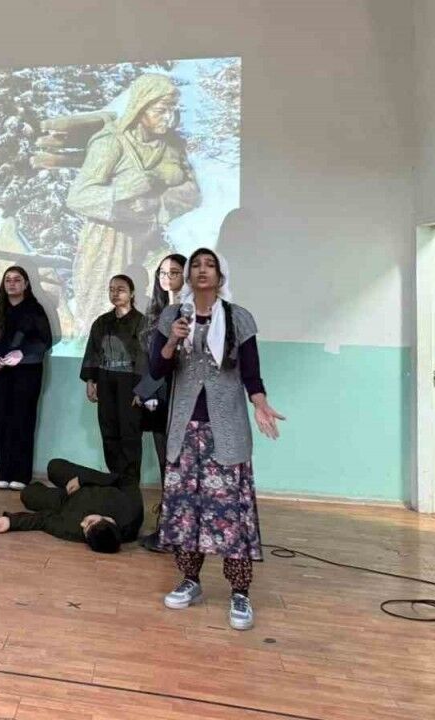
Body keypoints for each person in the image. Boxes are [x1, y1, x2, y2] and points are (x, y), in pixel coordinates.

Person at [149, 248, 285, 631]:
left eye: (210, 265)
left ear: (221, 275)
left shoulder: (238, 318)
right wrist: (172, 341)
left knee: (229, 514)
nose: (202, 271)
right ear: (188, 275)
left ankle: (240, 593)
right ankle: (190, 580)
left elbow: (251, 374)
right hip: (184, 430)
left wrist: (260, 403)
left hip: (225, 431)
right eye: (196, 265)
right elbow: (157, 368)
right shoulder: (173, 316)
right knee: (186, 510)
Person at [65, 73, 201, 337]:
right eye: (161, 110)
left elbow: (192, 192)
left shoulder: (170, 147)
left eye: (172, 110)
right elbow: (79, 196)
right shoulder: (111, 142)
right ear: (141, 107)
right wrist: (124, 192)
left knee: (161, 301)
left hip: (149, 236)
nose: (168, 118)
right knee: (103, 312)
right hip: (108, 240)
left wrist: (156, 204)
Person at [0, 266, 53, 491]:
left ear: (26, 284)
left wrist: (22, 353)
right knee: (1, 420)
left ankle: (21, 474)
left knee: (23, 420)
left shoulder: (35, 310)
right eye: (8, 280)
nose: (12, 283)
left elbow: (45, 340)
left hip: (27, 373)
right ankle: (2, 472)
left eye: (17, 279)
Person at [80, 275, 148, 497]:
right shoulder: (101, 322)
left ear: (132, 293)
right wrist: (91, 380)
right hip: (105, 378)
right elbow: (92, 352)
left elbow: (145, 357)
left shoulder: (142, 322)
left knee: (130, 433)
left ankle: (130, 487)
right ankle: (114, 481)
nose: (115, 293)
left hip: (130, 381)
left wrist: (141, 389)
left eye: (121, 289)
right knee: (108, 430)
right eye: (111, 289)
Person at [136, 253, 187, 551]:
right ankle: (167, 529)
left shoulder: (193, 311)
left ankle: (179, 530)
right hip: (158, 397)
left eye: (174, 272)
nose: (167, 278)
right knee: (164, 463)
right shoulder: (155, 311)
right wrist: (144, 390)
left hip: (184, 397)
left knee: (180, 465)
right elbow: (151, 361)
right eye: (162, 273)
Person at [0, 459, 143, 552]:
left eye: (85, 530)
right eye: (89, 522)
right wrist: (82, 479)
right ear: (107, 519)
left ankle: (44, 491)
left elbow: (44, 520)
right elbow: (126, 480)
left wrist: (11, 522)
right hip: (88, 482)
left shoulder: (76, 531)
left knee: (28, 494)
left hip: (65, 502)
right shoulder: (132, 510)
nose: (82, 524)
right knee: (54, 466)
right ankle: (75, 479)